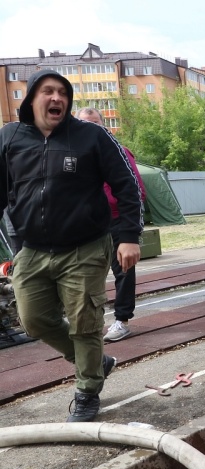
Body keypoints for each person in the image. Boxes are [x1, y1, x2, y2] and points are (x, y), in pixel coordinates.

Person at [0, 70, 142, 422]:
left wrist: (129, 237)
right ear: (31, 98)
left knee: (85, 323)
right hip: (32, 249)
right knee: (33, 320)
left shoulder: (90, 136)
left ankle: (87, 391)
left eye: (63, 92)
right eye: (48, 91)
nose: (57, 98)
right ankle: (95, 362)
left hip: (86, 245)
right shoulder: (10, 137)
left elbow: (127, 184)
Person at [76, 107, 148, 343]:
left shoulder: (119, 152)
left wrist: (130, 229)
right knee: (84, 274)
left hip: (117, 220)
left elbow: (136, 189)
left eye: (95, 123)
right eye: (84, 123)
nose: (90, 128)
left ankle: (122, 320)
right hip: (87, 224)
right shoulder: (74, 155)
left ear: (104, 126)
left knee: (123, 270)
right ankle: (86, 321)